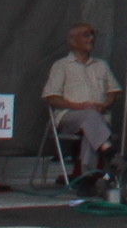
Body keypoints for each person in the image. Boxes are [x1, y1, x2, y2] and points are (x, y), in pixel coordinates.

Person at [41, 22, 122, 181]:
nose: (91, 38)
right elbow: (51, 97)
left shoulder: (101, 65)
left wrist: (105, 105)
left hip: (97, 121)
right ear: (73, 41)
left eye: (93, 34)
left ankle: (86, 179)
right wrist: (78, 106)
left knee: (90, 133)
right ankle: (109, 151)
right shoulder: (61, 66)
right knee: (90, 117)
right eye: (86, 35)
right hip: (70, 117)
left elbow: (114, 91)